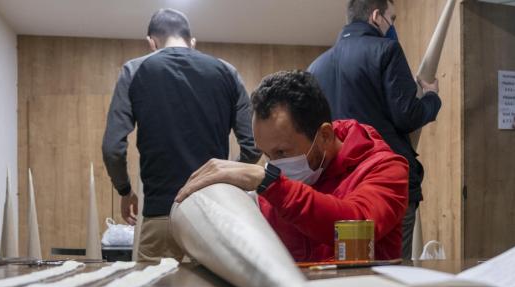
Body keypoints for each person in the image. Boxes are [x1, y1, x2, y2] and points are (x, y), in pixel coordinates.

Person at [177, 70, 409, 262]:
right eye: (267, 155)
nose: (275, 165)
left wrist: (269, 182)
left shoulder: (385, 169)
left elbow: (355, 224)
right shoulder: (276, 190)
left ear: (325, 136)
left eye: (282, 152)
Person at [102, 8, 261, 261]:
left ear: (151, 42)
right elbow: (253, 145)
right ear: (192, 42)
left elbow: (113, 148)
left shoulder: (133, 70)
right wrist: (226, 178)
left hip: (161, 214)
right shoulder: (226, 71)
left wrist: (124, 191)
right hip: (213, 214)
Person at [307, 0, 442, 260]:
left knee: (347, 266)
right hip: (385, 181)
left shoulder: (315, 67)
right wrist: (431, 98)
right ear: (376, 16)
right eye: (392, 19)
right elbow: (407, 116)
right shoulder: (386, 50)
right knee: (393, 270)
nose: (393, 26)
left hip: (337, 187)